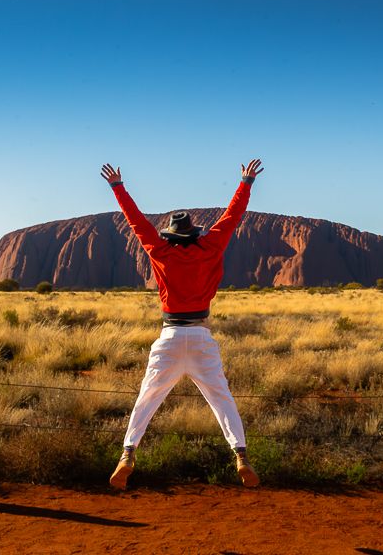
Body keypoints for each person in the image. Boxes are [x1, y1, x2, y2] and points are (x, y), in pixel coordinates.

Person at [100, 159, 264, 490]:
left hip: (170, 338)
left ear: (171, 234)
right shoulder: (211, 245)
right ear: (193, 231)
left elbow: (137, 223)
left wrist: (118, 187)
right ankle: (241, 456)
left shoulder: (160, 251)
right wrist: (245, 182)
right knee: (222, 399)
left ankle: (128, 454)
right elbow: (232, 218)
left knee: (147, 398)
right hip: (201, 339)